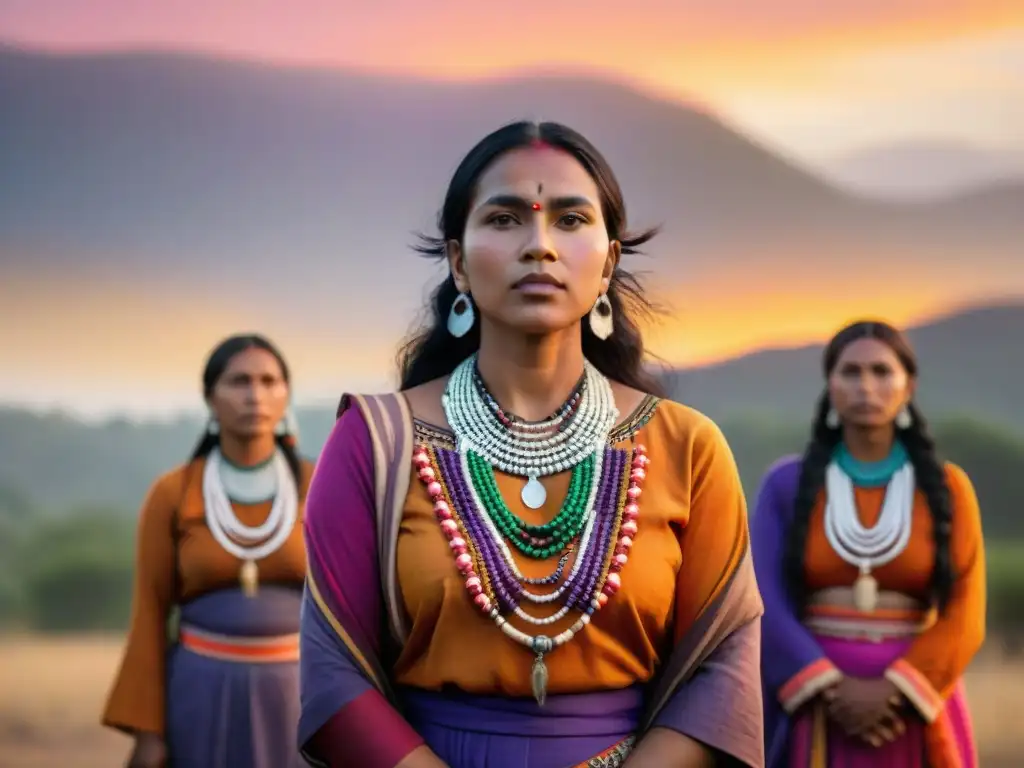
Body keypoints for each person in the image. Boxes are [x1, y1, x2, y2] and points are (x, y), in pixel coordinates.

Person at [297, 121, 765, 768]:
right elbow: (333, 674)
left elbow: (721, 669)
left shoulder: (688, 448)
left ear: (609, 262)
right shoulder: (374, 444)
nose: (539, 246)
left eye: (571, 221)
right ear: (458, 260)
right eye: (506, 219)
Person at [751, 321, 984, 767]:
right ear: (830, 383)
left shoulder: (949, 489)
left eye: (882, 371)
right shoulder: (787, 484)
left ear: (908, 386)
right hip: (816, 700)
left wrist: (896, 690)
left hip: (911, 706)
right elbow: (763, 599)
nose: (866, 386)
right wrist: (829, 687)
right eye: (851, 372)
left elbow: (966, 614)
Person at [102, 334, 315, 768]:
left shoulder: (321, 485)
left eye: (268, 381)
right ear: (209, 397)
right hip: (200, 693)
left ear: (286, 395)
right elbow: (150, 613)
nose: (255, 394)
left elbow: (356, 611)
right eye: (238, 381)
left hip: (302, 696)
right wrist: (148, 733)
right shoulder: (174, 493)